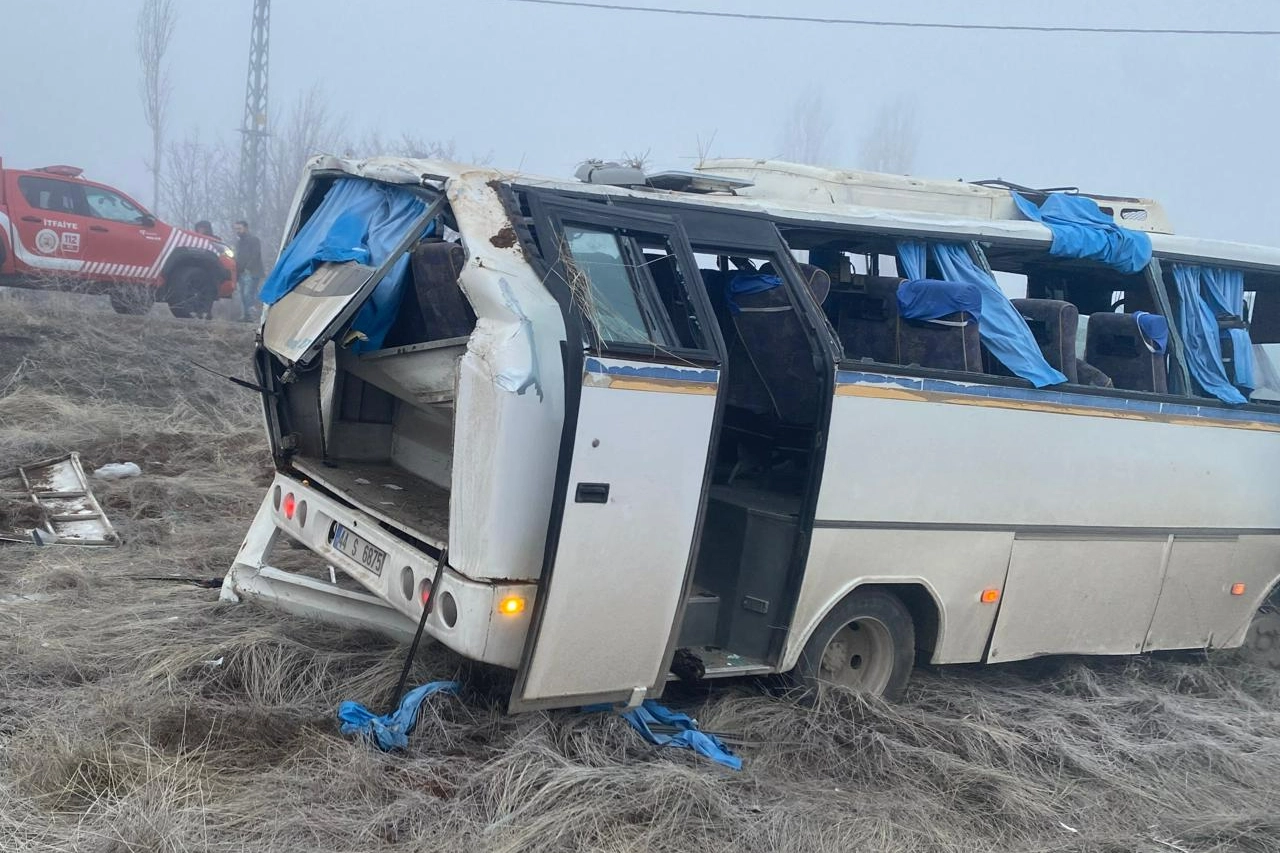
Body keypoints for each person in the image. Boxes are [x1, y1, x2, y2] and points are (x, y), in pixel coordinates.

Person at [233, 220, 265, 322]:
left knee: (248, 294)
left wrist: (247, 267)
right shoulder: (238, 243)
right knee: (243, 295)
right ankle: (247, 316)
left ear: (246, 228)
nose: (237, 231)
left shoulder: (254, 240)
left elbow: (255, 255)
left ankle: (253, 316)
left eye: (239, 228)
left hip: (252, 272)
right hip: (241, 273)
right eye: (236, 229)